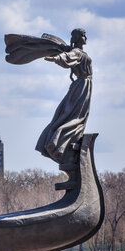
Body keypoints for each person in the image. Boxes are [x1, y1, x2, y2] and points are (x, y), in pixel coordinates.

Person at [37, 28, 92, 165]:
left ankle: (64, 139)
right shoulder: (76, 52)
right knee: (74, 115)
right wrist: (56, 58)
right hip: (82, 86)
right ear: (78, 37)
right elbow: (67, 57)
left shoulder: (75, 51)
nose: (86, 38)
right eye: (84, 35)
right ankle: (57, 141)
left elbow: (67, 54)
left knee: (76, 115)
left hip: (83, 86)